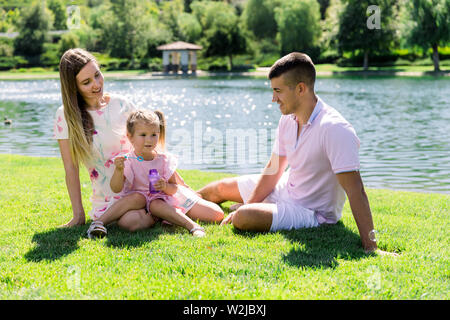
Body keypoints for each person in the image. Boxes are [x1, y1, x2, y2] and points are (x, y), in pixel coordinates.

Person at [198, 52, 396, 255]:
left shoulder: (335, 129)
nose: (274, 99)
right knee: (219, 188)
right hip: (287, 188)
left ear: (301, 89)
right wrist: (252, 203)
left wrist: (371, 247)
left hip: (311, 212)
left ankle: (249, 209)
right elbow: (274, 170)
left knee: (243, 217)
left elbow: (356, 191)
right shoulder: (288, 119)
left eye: (278, 91)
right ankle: (174, 205)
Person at [54, 48, 223, 230]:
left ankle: (161, 210)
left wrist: (181, 184)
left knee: (215, 214)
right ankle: (159, 214)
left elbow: (150, 145)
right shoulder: (66, 116)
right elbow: (70, 168)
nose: (96, 84)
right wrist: (78, 215)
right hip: (114, 199)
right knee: (131, 222)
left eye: (97, 75)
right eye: (86, 82)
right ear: (74, 87)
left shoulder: (121, 103)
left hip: (152, 187)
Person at [86, 109, 224, 238]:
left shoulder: (163, 160)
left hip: (160, 202)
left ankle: (192, 226)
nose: (149, 140)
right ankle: (98, 223)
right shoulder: (127, 160)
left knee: (156, 205)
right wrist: (119, 170)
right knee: (135, 203)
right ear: (130, 137)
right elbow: (116, 189)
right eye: (143, 135)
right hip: (137, 203)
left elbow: (174, 189)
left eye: (154, 135)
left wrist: (165, 187)